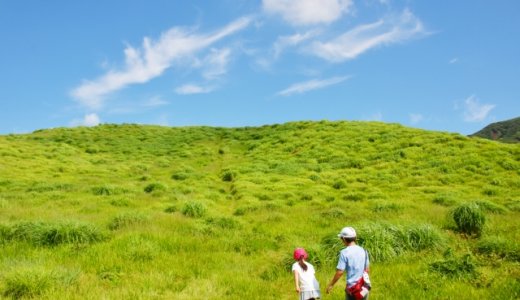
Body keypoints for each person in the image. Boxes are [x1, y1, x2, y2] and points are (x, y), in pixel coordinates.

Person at [326, 227, 371, 300]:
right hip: (364, 287)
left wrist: (331, 285)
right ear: (355, 238)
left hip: (352, 289)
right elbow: (367, 270)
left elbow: (340, 272)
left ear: (343, 239)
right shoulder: (364, 250)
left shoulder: (344, 252)